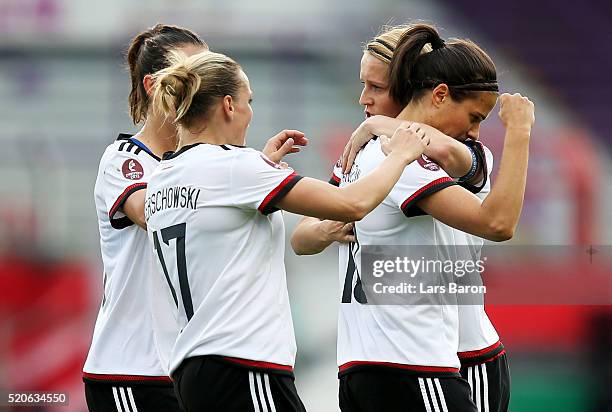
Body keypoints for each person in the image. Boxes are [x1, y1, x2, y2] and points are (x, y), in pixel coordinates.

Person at [144, 49, 431, 412]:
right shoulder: (237, 168)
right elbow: (353, 204)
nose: (250, 113)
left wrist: (261, 170)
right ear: (229, 105)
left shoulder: (161, 180)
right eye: (249, 101)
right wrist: (401, 155)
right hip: (244, 364)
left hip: (192, 370)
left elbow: (219, 216)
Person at [291, 23, 534, 412]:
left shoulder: (437, 154)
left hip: (458, 352)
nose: (363, 99)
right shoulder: (376, 155)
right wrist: (327, 227)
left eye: (375, 87)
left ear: (411, 89)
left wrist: (383, 125)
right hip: (402, 357)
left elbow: (473, 178)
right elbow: (301, 236)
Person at [85, 24, 308, 412]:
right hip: (131, 370)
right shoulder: (124, 159)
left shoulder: (204, 165)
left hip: (184, 363)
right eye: (189, 70)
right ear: (155, 85)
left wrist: (254, 168)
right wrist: (242, 175)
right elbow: (151, 212)